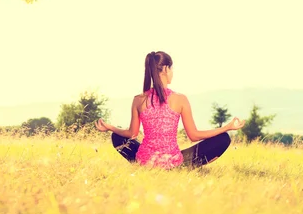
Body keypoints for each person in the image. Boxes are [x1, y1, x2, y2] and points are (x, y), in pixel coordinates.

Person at [95, 51, 245, 169]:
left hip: (145, 161)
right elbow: (194, 135)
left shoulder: (138, 100)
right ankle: (186, 166)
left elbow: (131, 134)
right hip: (172, 162)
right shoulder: (180, 99)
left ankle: (144, 165)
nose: (172, 72)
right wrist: (227, 127)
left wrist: (110, 127)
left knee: (117, 137)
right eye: (172, 68)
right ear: (166, 69)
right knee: (223, 138)